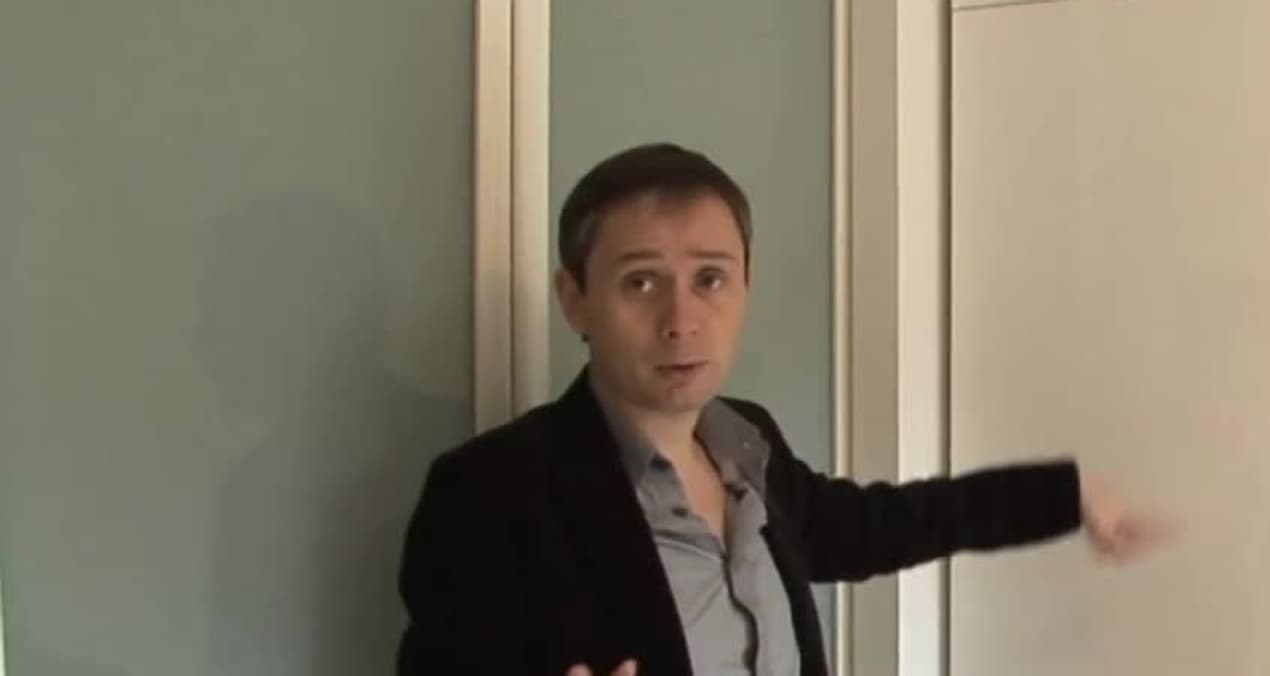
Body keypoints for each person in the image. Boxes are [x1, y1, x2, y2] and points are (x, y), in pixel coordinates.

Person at [395, 143, 1164, 676]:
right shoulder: (491, 494)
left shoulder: (746, 442)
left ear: (746, 285)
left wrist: (1064, 496)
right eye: (640, 283)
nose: (682, 320)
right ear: (575, 300)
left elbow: (877, 525)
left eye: (710, 279)